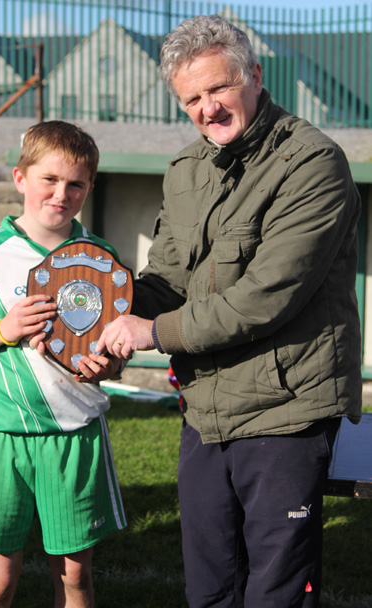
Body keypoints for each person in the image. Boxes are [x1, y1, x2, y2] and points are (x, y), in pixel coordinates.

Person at [96, 14, 362, 608]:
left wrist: (152, 331)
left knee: (277, 594)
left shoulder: (312, 163)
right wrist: (95, 315)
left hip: (286, 413)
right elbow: (166, 279)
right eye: (191, 98)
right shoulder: (186, 170)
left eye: (219, 88)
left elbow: (265, 296)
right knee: (210, 591)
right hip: (206, 411)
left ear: (255, 76)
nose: (207, 108)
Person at [0, 120, 126, 608]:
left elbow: (117, 354)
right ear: (20, 178)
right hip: (1, 438)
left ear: (89, 187)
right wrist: (1, 331)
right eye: (49, 180)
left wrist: (104, 368)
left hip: (75, 437)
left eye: (75, 183)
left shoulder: (101, 258)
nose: (62, 194)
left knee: (75, 580)